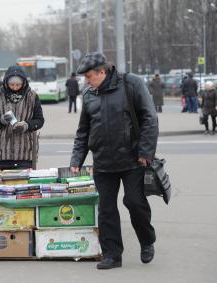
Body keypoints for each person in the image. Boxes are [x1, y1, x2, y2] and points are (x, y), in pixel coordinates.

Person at [70, 52, 158, 269]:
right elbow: (83, 131)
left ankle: (147, 241)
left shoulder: (131, 84)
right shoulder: (89, 94)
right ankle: (112, 254)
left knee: (134, 202)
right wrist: (76, 160)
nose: (86, 81)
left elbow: (150, 118)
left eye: (89, 76)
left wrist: (145, 153)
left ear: (103, 71)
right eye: (85, 78)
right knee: (106, 210)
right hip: (103, 163)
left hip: (133, 161)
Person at [0, 65, 44, 170]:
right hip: (0, 152)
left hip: (25, 152)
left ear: (24, 83)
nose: (15, 88)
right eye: (12, 84)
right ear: (6, 82)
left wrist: (26, 125)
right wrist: (1, 120)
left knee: (23, 184)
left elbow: (39, 120)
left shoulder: (33, 96)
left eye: (18, 85)